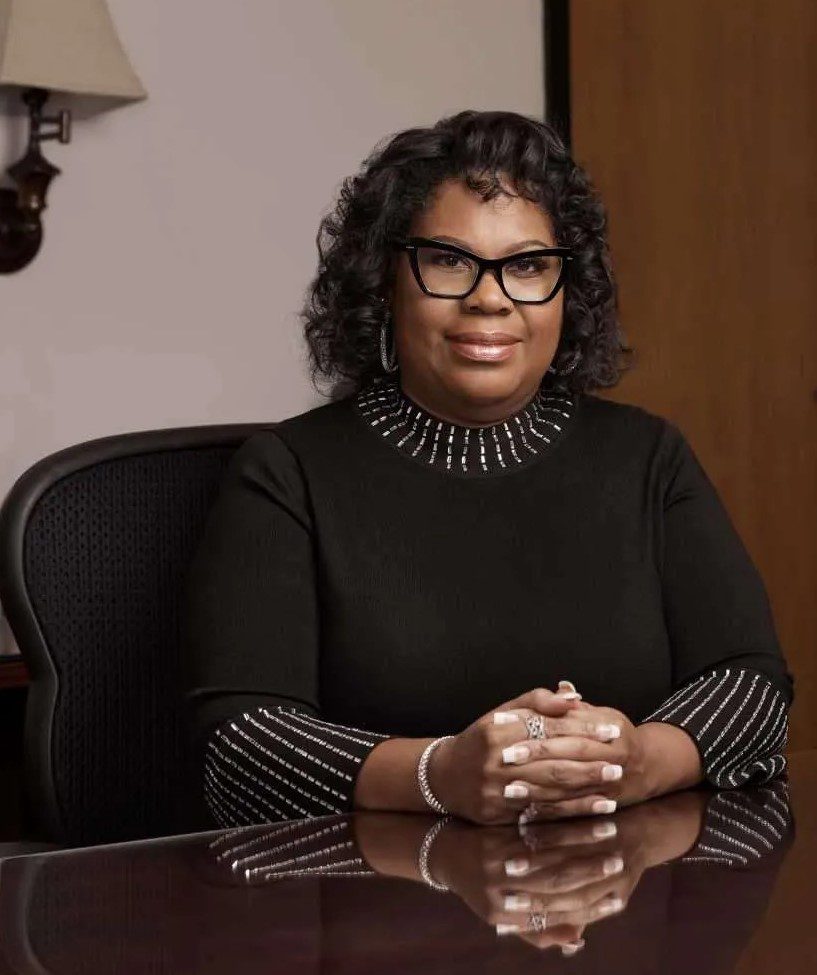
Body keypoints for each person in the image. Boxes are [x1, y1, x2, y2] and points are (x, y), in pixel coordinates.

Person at [180, 110, 794, 831]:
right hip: (374, 911)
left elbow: (751, 684)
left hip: (621, 897)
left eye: (528, 265)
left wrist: (631, 763)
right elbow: (240, 745)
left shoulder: (647, 457)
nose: (490, 296)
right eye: (447, 260)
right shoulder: (286, 474)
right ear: (384, 280)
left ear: (569, 293)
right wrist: (438, 774)